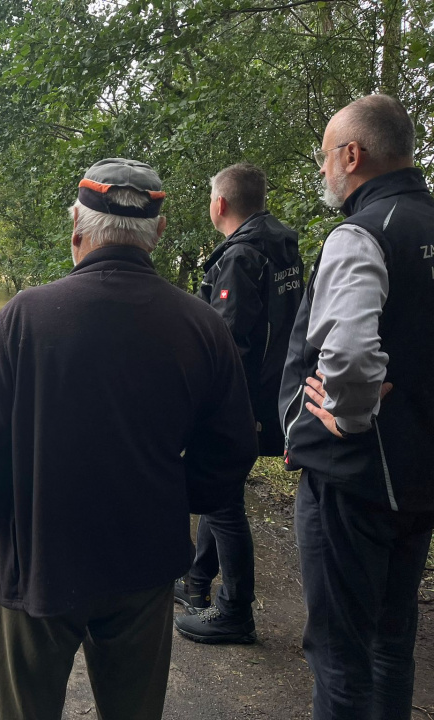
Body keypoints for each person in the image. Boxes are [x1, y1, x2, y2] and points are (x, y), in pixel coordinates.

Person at [0, 158, 259, 720]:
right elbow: (231, 451)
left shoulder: (26, 317)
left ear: (76, 229)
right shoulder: (200, 325)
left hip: (34, 565)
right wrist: (172, 497)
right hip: (142, 566)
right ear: (158, 233)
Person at [280, 94, 434, 719]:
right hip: (420, 476)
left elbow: (344, 355)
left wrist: (351, 411)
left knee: (341, 654)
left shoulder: (363, 234)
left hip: (354, 479)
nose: (323, 171)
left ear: (352, 154)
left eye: (325, 157)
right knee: (394, 644)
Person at [174, 163, 304, 644]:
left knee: (224, 502)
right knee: (221, 492)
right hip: (274, 393)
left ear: (220, 204)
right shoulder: (281, 245)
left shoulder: (240, 256)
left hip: (240, 400)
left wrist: (206, 405)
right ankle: (195, 584)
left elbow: (225, 341)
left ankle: (235, 612)